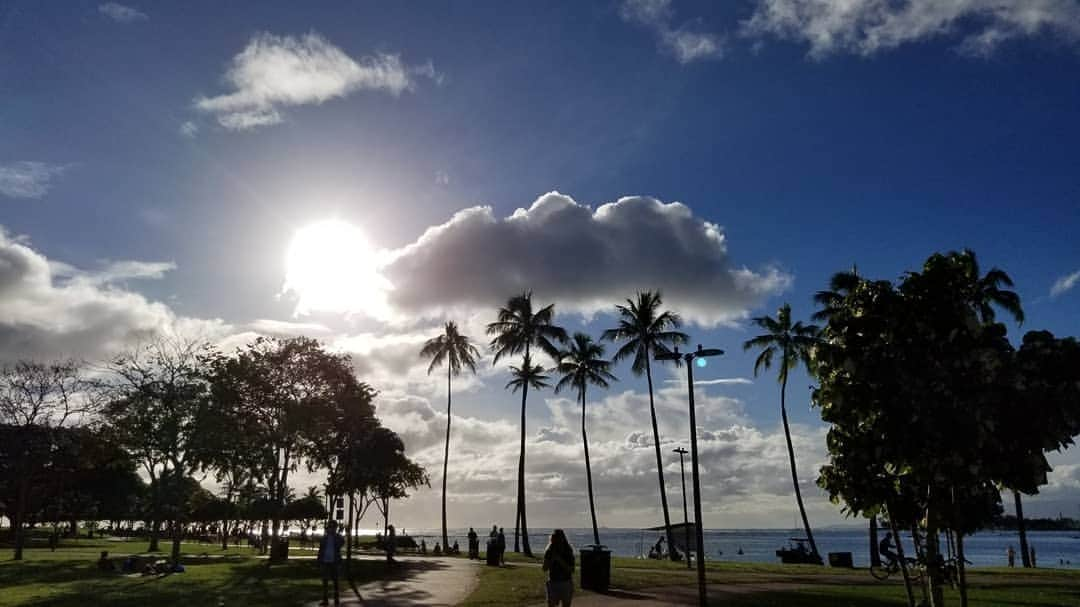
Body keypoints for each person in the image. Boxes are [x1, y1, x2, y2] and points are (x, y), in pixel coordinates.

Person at [542, 529, 575, 607]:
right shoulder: (549, 551)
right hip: (553, 582)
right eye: (554, 539)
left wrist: (560, 561)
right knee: (551, 604)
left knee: (566, 604)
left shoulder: (568, 551)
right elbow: (544, 568)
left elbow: (571, 569)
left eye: (558, 538)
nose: (556, 541)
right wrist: (552, 560)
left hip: (566, 582)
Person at [317, 520, 344, 607]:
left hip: (334, 562)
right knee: (325, 581)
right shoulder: (324, 538)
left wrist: (338, 534)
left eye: (333, 527)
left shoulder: (338, 538)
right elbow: (320, 551)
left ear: (335, 529)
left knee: (335, 581)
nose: (331, 529)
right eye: (330, 527)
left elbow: (341, 543)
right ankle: (325, 600)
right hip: (325, 562)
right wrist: (319, 561)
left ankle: (336, 599)